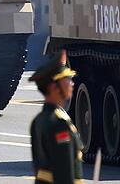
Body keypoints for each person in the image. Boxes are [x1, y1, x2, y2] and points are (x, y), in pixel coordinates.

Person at [28, 50, 82, 184]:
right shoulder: (59, 123)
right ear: (54, 87)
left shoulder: (39, 119)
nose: (71, 83)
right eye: (66, 79)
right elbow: (64, 172)